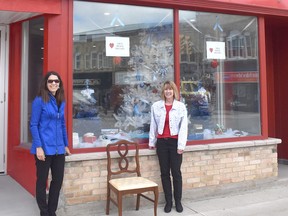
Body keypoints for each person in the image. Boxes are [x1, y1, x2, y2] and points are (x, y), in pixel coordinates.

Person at [30, 71, 71, 216]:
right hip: (44, 148)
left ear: (59, 84)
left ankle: (52, 212)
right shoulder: (39, 100)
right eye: (50, 81)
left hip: (59, 149)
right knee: (42, 182)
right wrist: (39, 147)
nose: (54, 83)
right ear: (46, 84)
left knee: (57, 181)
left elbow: (62, 125)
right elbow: (34, 125)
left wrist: (65, 144)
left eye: (56, 81)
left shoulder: (61, 101)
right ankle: (44, 212)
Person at [149, 80, 188, 213]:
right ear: (163, 92)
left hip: (175, 142)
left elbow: (184, 128)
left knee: (176, 173)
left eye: (170, 89)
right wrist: (152, 141)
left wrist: (181, 145)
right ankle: (168, 201)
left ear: (174, 91)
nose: (168, 92)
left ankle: (178, 201)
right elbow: (153, 125)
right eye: (166, 89)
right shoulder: (156, 106)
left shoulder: (180, 106)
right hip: (162, 143)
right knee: (164, 173)